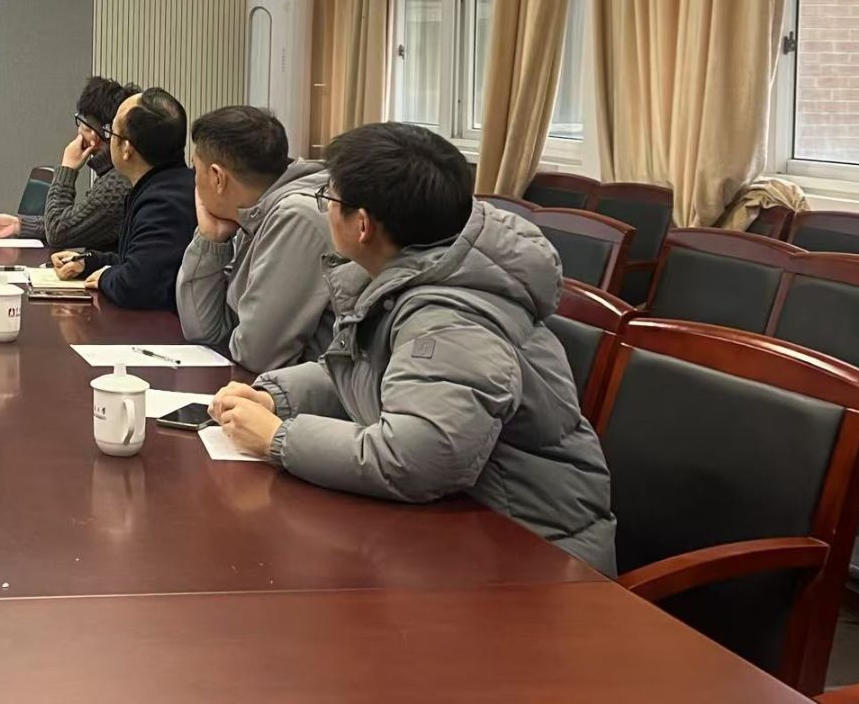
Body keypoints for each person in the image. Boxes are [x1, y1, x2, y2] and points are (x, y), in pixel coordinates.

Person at [208, 122, 616, 574]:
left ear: (362, 225)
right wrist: (274, 398)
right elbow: (365, 369)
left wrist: (278, 438)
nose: (324, 210)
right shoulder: (410, 271)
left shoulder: (451, 321)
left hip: (537, 559)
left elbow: (417, 459)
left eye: (329, 199)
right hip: (459, 528)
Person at [176, 106, 336, 372]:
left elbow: (257, 354)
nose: (194, 182)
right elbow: (204, 331)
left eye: (196, 170)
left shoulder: (296, 217)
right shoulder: (253, 214)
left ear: (217, 178)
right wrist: (210, 240)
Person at [52, 87, 196, 312]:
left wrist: (105, 277)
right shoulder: (162, 185)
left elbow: (137, 284)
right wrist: (89, 261)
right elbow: (138, 260)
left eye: (111, 132)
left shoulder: (164, 203)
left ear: (127, 149)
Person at [0, 77, 136, 251]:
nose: (78, 131)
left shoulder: (117, 183)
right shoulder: (116, 174)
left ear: (95, 133)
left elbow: (58, 233)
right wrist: (20, 225)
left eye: (82, 123)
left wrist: (67, 169)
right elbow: (77, 224)